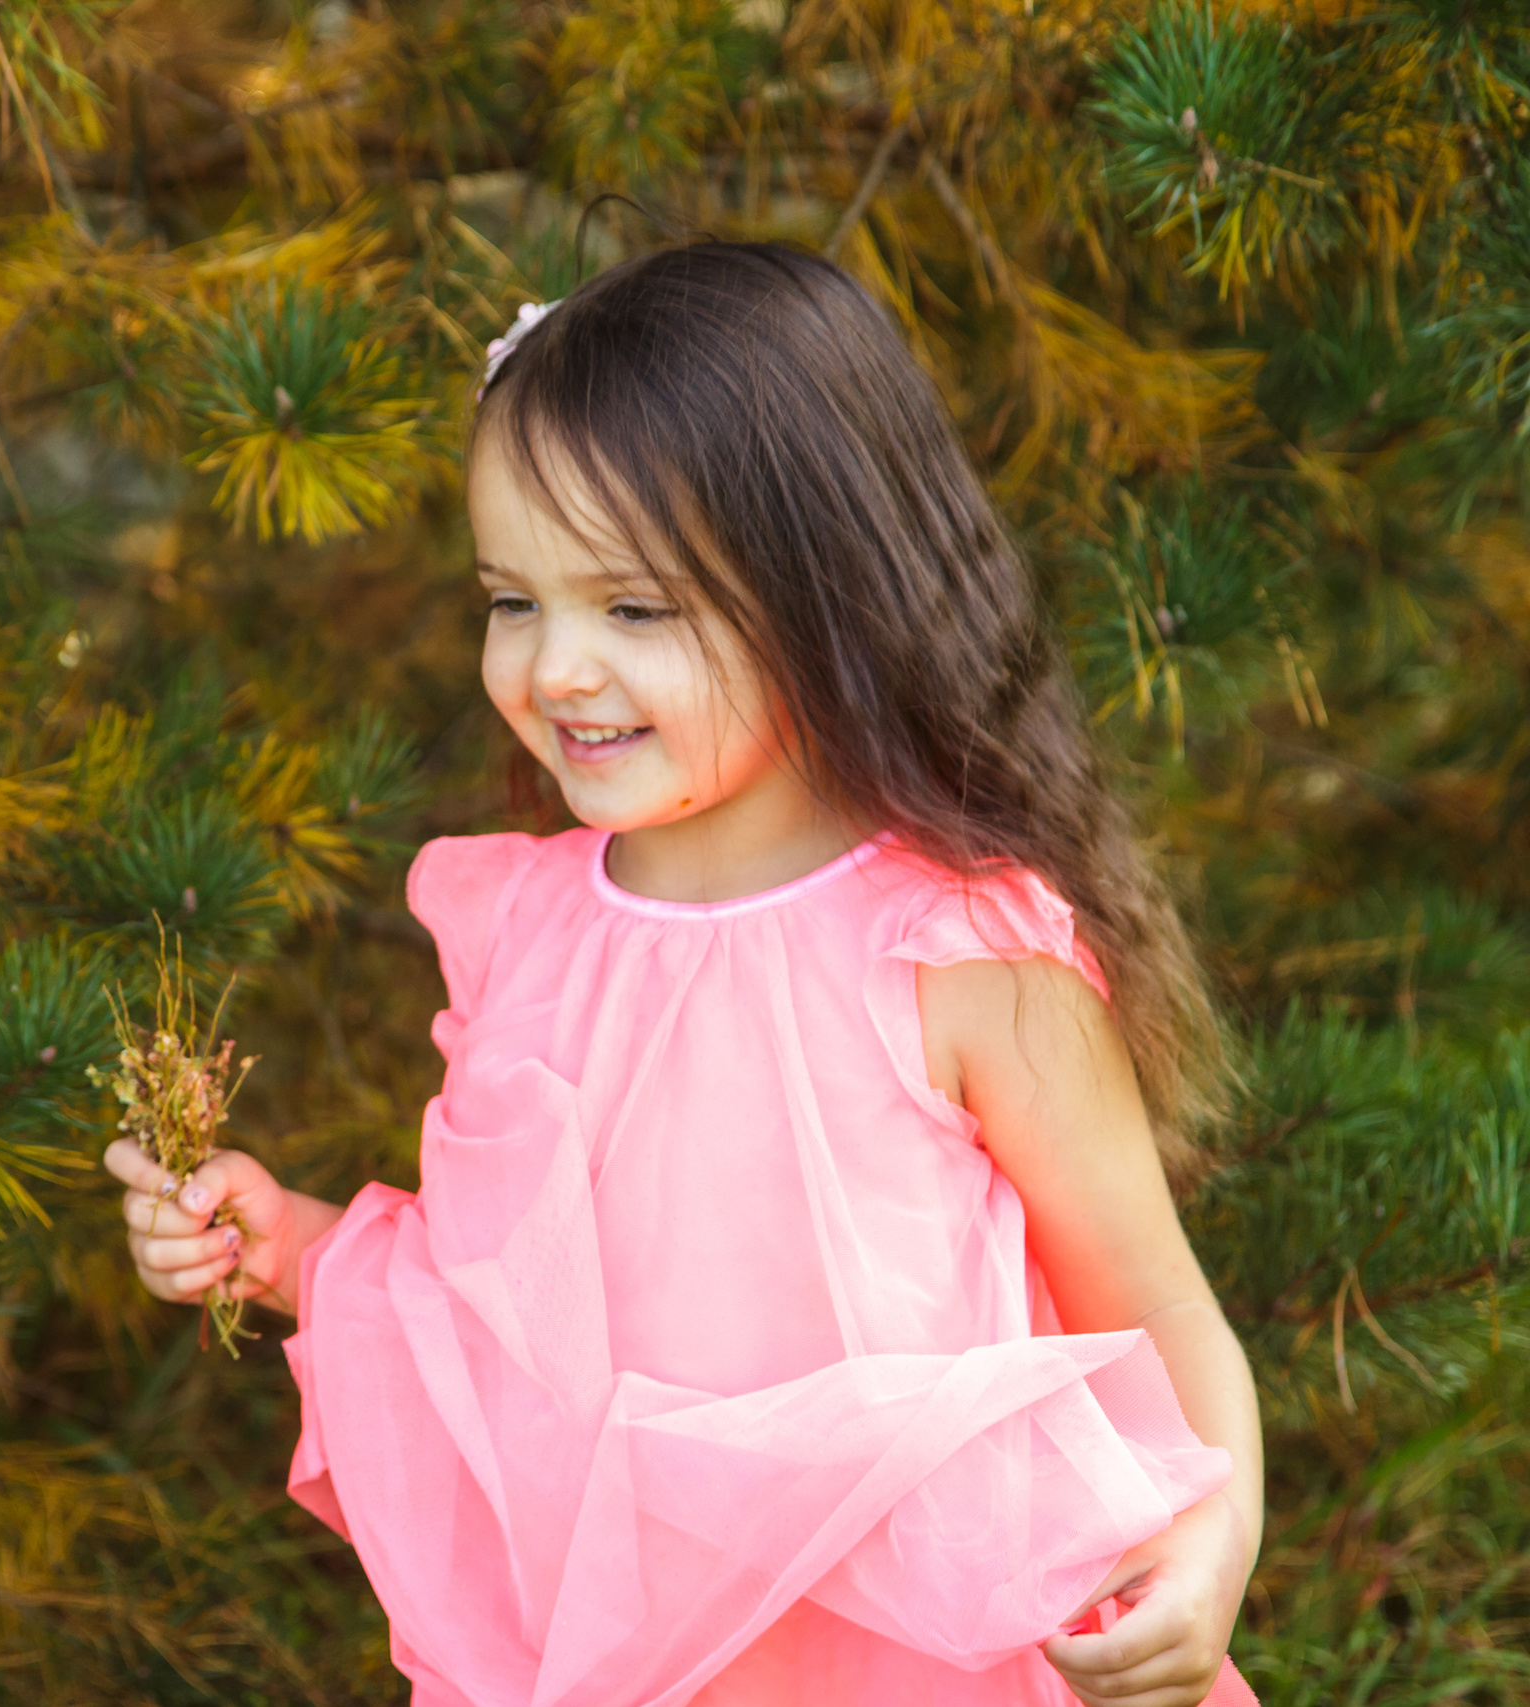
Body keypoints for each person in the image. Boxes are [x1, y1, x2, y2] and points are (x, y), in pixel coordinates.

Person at [102, 242, 1263, 1707]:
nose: (558, 669)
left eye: (634, 610)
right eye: (511, 600)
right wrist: (290, 1248)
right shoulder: (525, 932)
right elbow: (521, 1323)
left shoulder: (959, 957)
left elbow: (1157, 1306)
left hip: (919, 1669)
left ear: (828, 593)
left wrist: (1211, 1541)